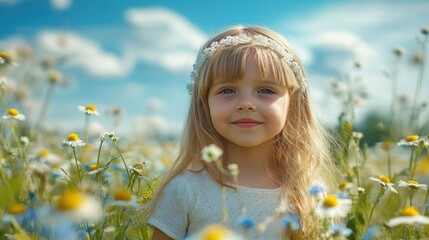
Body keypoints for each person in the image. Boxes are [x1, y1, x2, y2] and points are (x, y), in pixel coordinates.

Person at [145, 25, 338, 240]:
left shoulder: (309, 194)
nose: (246, 104)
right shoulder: (184, 190)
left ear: (293, 103)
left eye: (266, 90)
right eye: (227, 90)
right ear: (204, 103)